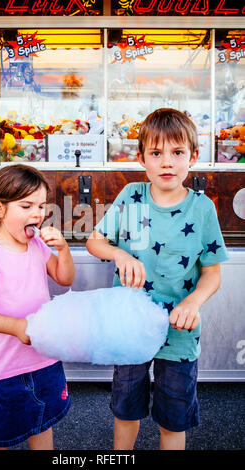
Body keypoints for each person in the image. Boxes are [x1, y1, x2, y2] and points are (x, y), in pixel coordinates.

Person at [86, 108, 229, 450]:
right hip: (131, 327)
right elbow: (95, 241)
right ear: (141, 159)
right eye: (156, 153)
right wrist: (119, 253)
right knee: (126, 411)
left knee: (173, 418)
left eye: (177, 152)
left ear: (193, 157)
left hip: (179, 332)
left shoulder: (202, 208)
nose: (167, 162)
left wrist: (194, 301)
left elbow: (212, 271)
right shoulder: (132, 197)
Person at [0, 164, 75, 450]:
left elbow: (64, 278)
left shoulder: (37, 244)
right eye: (26, 205)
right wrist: (17, 327)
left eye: (41, 206)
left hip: (46, 360)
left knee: (43, 425)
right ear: (0, 209)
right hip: (6, 370)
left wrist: (63, 250)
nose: (37, 214)